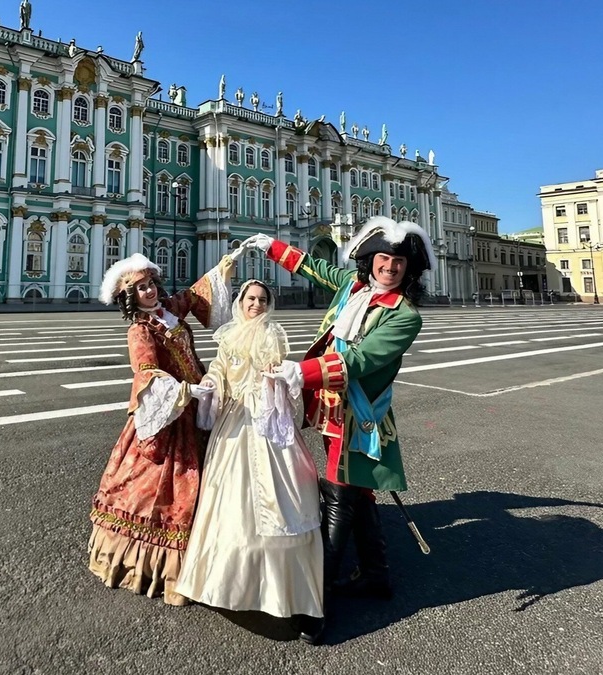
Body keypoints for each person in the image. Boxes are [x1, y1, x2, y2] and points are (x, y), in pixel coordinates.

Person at [244, 216, 435, 643]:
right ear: (370, 260)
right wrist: (272, 247)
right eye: (383, 258)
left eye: (399, 262)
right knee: (359, 494)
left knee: (338, 497)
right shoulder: (353, 285)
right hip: (332, 408)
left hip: (359, 417)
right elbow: (315, 267)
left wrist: (303, 372)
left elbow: (361, 360)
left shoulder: (405, 316)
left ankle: (316, 601)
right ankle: (376, 575)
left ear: (409, 269)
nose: (390, 267)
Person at [175, 280, 324, 642]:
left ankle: (290, 593)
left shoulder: (274, 333)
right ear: (240, 302)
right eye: (250, 298)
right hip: (235, 420)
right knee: (229, 500)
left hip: (267, 419)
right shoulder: (228, 336)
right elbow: (220, 369)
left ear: (269, 304)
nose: (256, 304)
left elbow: (282, 371)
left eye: (261, 299)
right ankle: (224, 582)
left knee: (283, 500)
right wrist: (211, 382)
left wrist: (278, 378)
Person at [87, 251, 238, 606]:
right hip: (171, 412)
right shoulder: (140, 330)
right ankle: (166, 568)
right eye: (141, 288)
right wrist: (183, 391)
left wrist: (221, 270)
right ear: (129, 296)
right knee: (171, 489)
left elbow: (193, 296)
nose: (150, 290)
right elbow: (146, 372)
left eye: (151, 283)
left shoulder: (168, 310)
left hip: (197, 402)